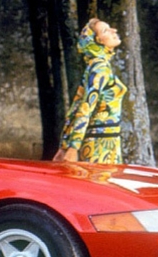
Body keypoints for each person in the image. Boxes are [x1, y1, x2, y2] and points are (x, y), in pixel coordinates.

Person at [53, 18, 127, 164]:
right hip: (100, 145)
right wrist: (73, 148)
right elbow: (85, 108)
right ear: (98, 41)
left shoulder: (96, 65)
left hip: (106, 140)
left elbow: (76, 104)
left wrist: (64, 144)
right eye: (106, 30)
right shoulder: (100, 68)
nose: (114, 31)